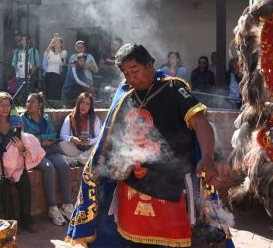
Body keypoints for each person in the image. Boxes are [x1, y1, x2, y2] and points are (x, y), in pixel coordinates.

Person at [66, 43, 218, 247]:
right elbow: (111, 141)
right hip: (132, 189)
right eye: (125, 73)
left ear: (150, 65)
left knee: (176, 242)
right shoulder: (125, 96)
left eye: (135, 71)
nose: (130, 78)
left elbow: (201, 123)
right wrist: (111, 166)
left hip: (170, 187)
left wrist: (207, 157)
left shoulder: (174, 88)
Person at [0, 92, 41, 233]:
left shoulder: (16, 122)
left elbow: (24, 146)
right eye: (2, 105)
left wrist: (21, 147)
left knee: (25, 185)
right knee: (2, 184)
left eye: (8, 105)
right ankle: (11, 223)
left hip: (16, 161)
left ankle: (27, 221)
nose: (5, 108)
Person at [21, 93, 74, 226]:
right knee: (49, 167)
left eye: (32, 102)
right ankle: (52, 208)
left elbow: (52, 134)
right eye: (28, 102)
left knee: (64, 165)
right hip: (35, 153)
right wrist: (40, 140)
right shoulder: (23, 119)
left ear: (40, 104)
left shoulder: (46, 118)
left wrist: (39, 138)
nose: (29, 104)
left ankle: (67, 205)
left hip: (50, 150)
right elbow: (26, 138)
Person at [59, 92, 102, 166]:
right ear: (78, 103)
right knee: (61, 144)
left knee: (100, 145)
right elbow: (62, 135)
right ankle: (85, 160)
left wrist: (90, 141)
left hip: (89, 148)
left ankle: (76, 160)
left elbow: (99, 137)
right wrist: (73, 139)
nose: (83, 106)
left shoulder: (95, 119)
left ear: (90, 107)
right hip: (75, 148)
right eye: (82, 102)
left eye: (87, 104)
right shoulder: (70, 117)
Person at [43, 34, 67, 100]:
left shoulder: (64, 52)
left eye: (58, 42)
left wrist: (56, 45)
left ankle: (56, 106)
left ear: (61, 44)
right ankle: (48, 105)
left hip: (57, 75)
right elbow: (45, 54)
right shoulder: (50, 52)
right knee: (48, 91)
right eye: (55, 42)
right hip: (48, 74)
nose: (56, 43)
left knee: (56, 92)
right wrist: (51, 43)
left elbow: (62, 57)